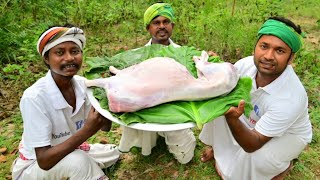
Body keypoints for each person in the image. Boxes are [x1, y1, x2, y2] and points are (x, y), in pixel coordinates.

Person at [199, 16, 312, 179]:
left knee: (255, 158)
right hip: (253, 118)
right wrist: (213, 68)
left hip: (287, 135)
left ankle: (281, 166)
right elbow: (226, 86)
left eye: (279, 51)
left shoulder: (291, 97)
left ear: (291, 58)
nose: (268, 56)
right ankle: (219, 149)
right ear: (255, 47)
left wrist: (232, 119)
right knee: (218, 108)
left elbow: (252, 144)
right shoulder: (245, 64)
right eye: (264, 46)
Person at [11, 25, 120, 180]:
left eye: (74, 51)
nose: (69, 58)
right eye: (60, 52)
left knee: (113, 152)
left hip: (69, 149)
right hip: (35, 165)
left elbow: (105, 127)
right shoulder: (34, 97)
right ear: (47, 59)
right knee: (79, 162)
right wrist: (87, 130)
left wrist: (110, 94)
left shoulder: (83, 85)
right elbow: (44, 161)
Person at [118, 3, 196, 164]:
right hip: (146, 110)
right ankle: (150, 139)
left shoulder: (185, 54)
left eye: (166, 22)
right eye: (156, 22)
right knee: (146, 145)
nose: (161, 26)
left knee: (185, 158)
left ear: (172, 25)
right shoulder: (136, 56)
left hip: (175, 110)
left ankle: (173, 137)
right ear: (148, 28)